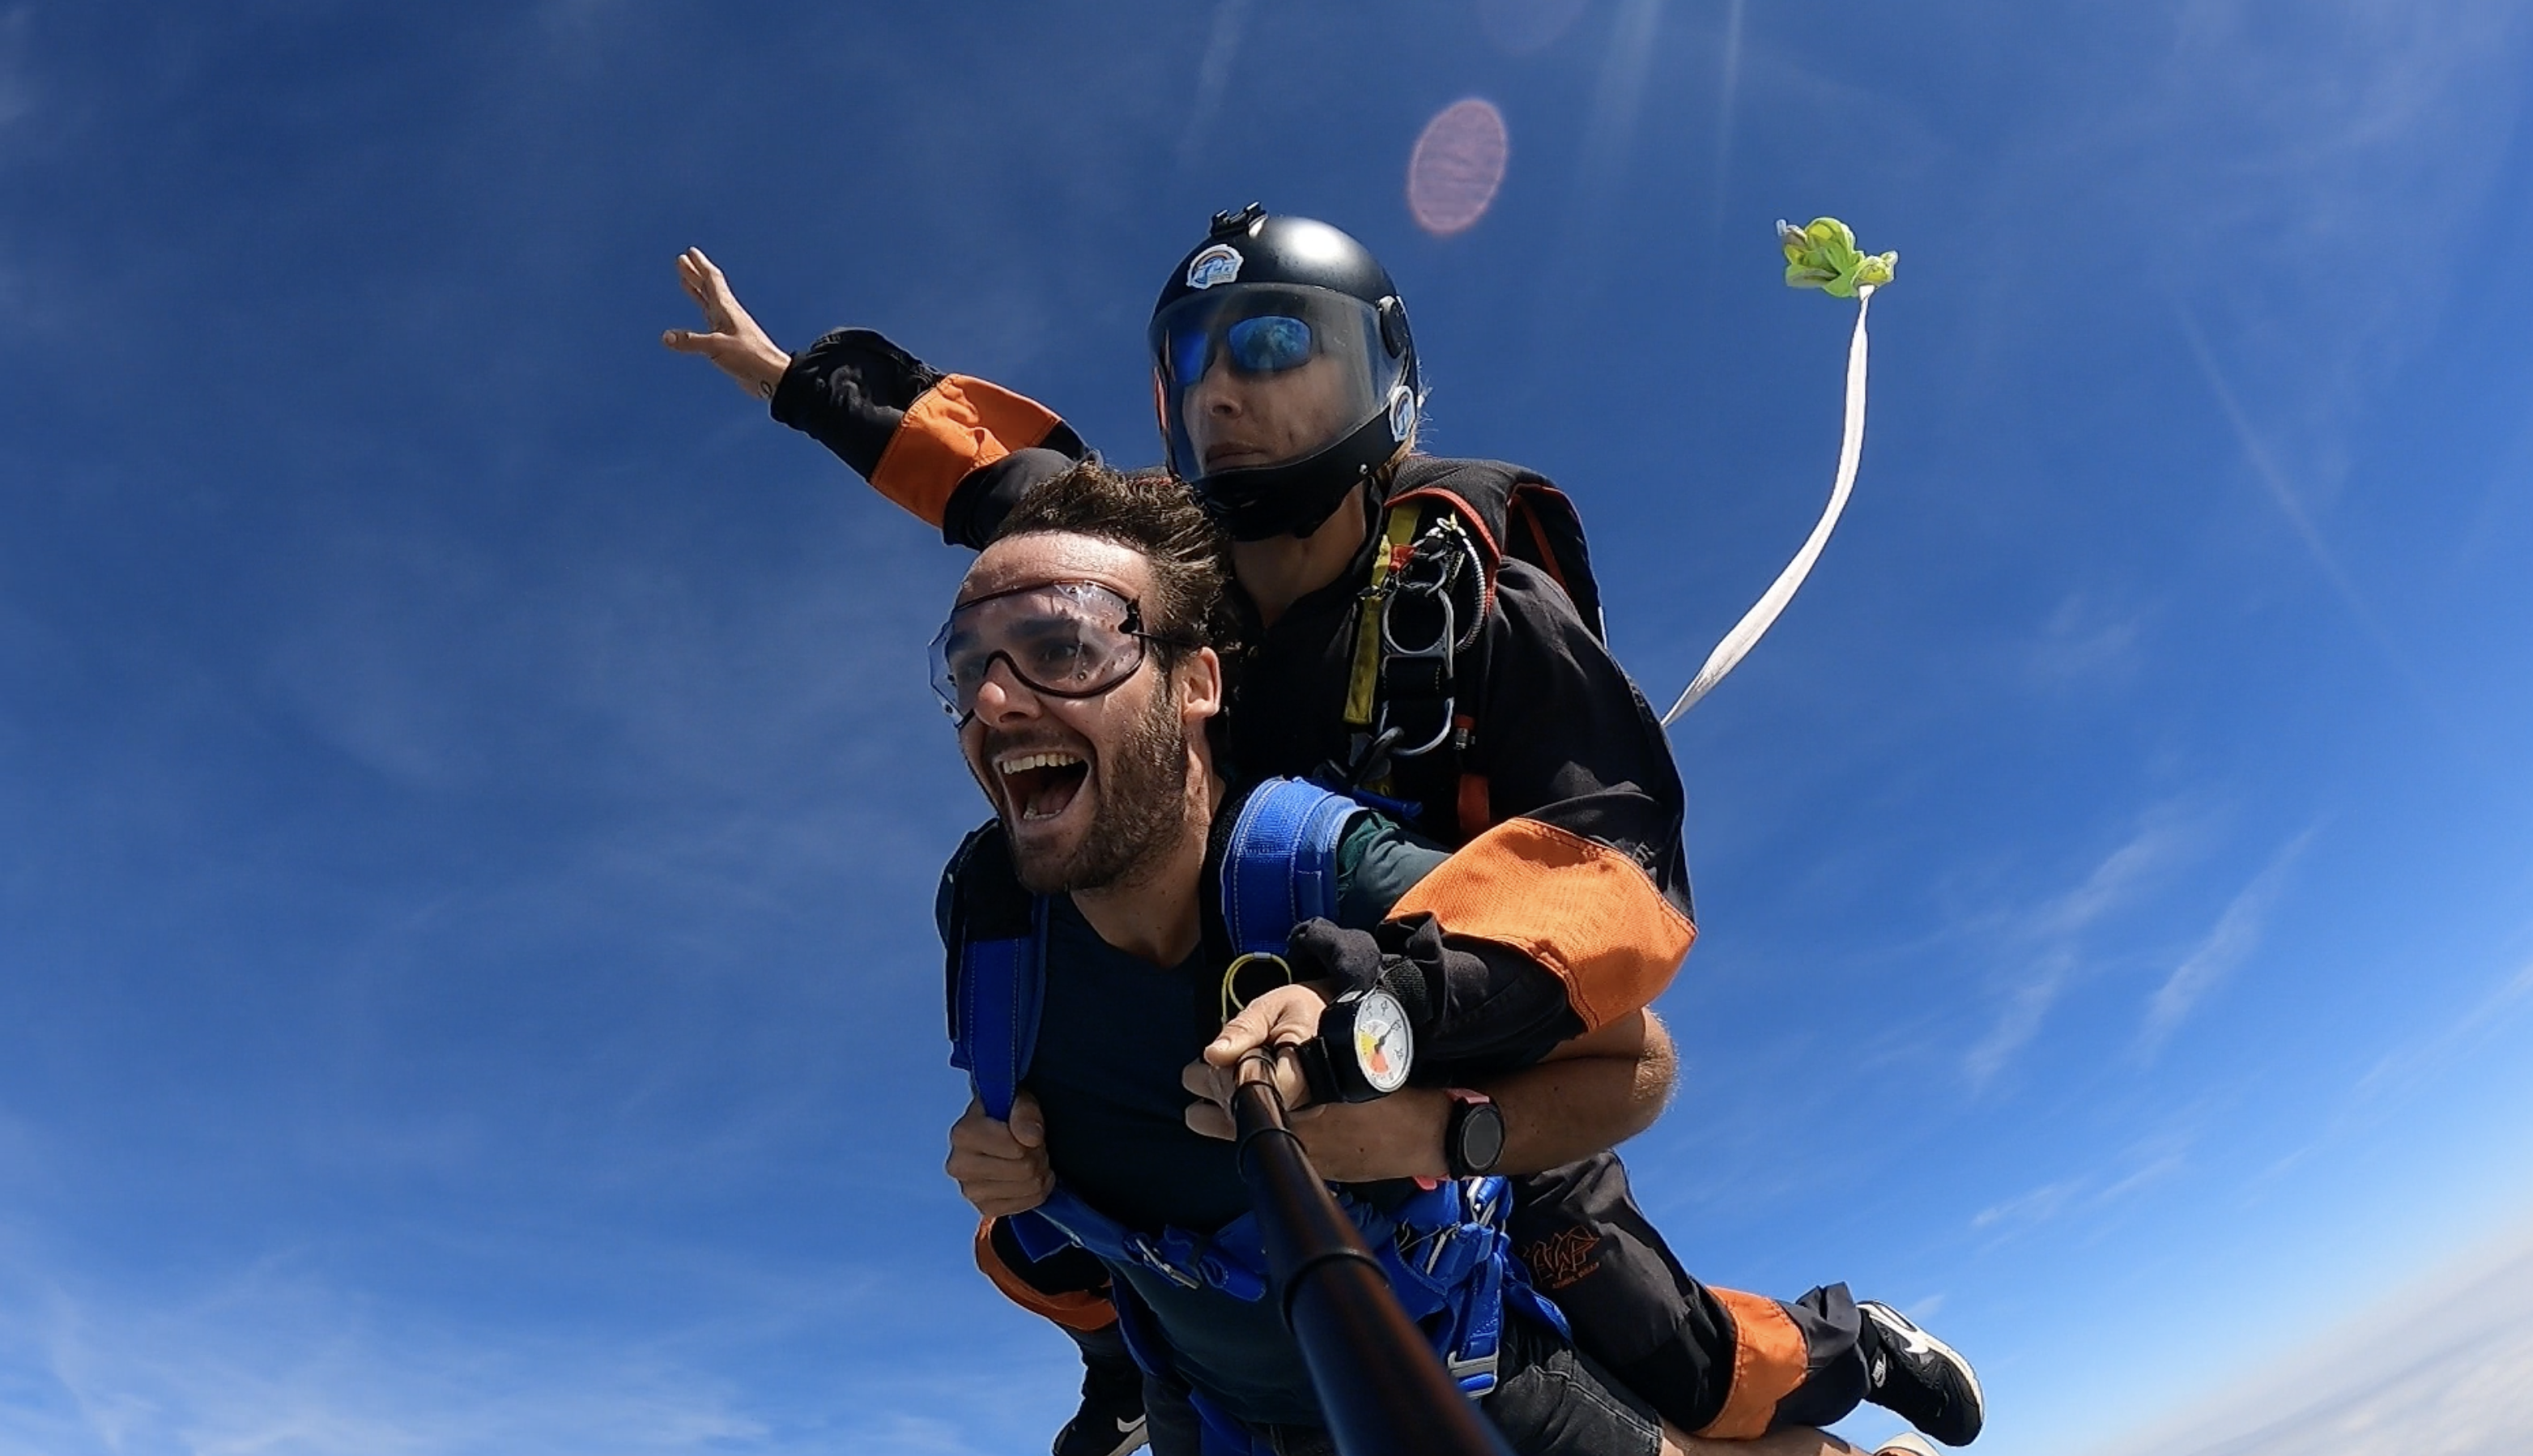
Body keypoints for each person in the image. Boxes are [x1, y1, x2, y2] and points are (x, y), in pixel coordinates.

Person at [663, 210, 1981, 1454]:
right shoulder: (1160, 586)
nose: (1229, 393)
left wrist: (1406, 1022)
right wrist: (802, 384)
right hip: (1248, 1031)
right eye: (1196, 366)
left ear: (1381, 381)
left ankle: (1846, 1342)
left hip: (1467, 1015)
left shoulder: (1475, 605)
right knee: (1087, 1223)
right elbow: (1007, 483)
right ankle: (1137, 1366)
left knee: (1651, 1336)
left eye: (1279, 346)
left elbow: (1606, 871)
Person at [926, 460, 1933, 1456]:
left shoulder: (1327, 873)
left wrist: (1424, 1131)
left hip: (1454, 1367)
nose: (998, 697)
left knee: (1687, 1368)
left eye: (1064, 647)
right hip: (1208, 1405)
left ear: (1196, 684)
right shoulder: (992, 929)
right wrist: (1005, 1165)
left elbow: (1639, 1061)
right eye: (971, 666)